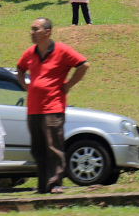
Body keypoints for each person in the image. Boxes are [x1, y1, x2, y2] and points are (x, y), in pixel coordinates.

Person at [16, 18, 90, 194]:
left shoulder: (62, 50)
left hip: (53, 108)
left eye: (36, 29)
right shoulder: (30, 52)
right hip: (33, 109)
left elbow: (83, 65)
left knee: (53, 148)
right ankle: (43, 185)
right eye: (31, 29)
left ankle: (55, 183)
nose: (31, 33)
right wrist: (25, 85)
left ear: (47, 32)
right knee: (38, 148)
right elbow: (20, 69)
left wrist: (68, 85)